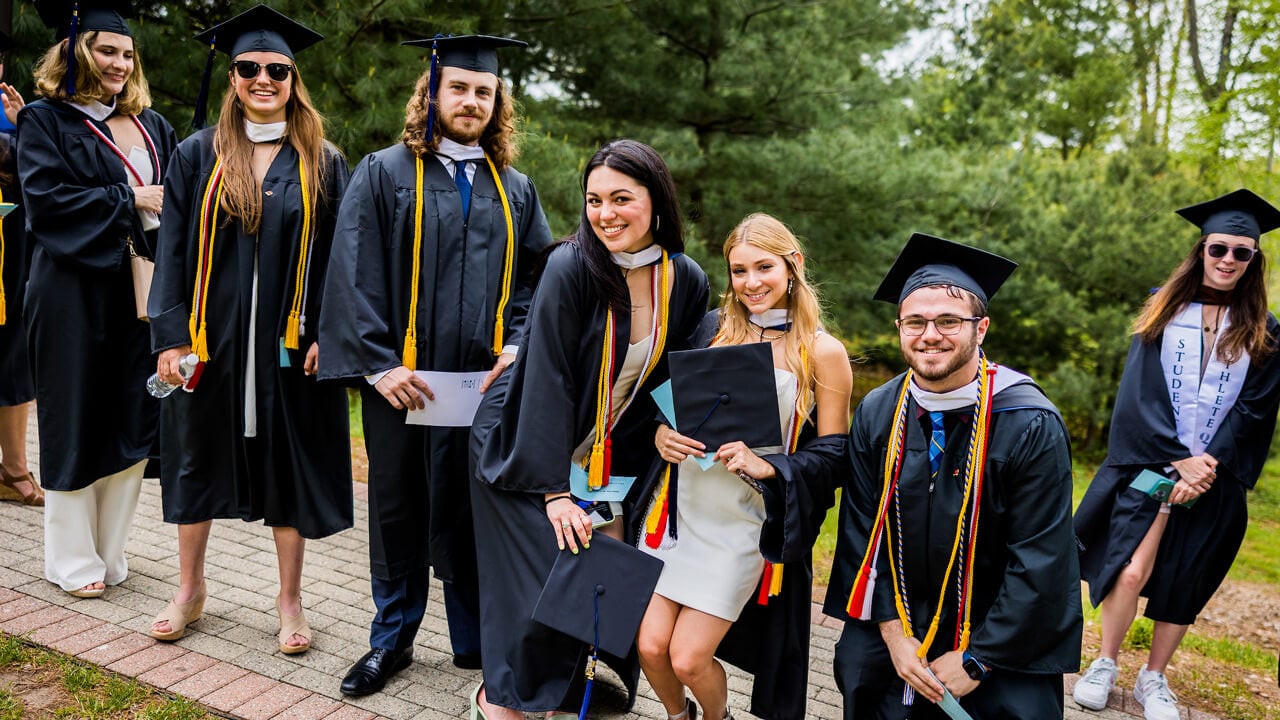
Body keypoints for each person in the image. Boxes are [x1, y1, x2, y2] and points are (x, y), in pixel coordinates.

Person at [318, 34, 553, 695]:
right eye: (459, 88)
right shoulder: (384, 171)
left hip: (483, 394)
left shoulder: (516, 188)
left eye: (484, 91)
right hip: (405, 388)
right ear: (433, 93)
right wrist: (378, 364)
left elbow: (542, 277)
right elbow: (351, 270)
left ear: (496, 103)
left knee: (473, 510)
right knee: (397, 512)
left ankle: (475, 642)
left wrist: (518, 343)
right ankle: (390, 641)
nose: (471, 100)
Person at [469, 139, 710, 720]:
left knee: (605, 567)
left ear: (657, 201)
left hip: (609, 449)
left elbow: (675, 374)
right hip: (522, 438)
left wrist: (660, 426)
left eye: (622, 198)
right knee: (545, 571)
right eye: (595, 200)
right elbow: (547, 374)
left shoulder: (685, 279)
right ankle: (500, 699)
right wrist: (554, 491)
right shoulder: (571, 265)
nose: (606, 214)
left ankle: (563, 689)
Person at [146, 5, 352, 653]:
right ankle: (189, 590)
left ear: (294, 78)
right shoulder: (194, 154)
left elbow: (342, 260)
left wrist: (331, 334)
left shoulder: (324, 159)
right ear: (232, 76)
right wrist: (170, 337)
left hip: (292, 345)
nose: (263, 78)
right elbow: (172, 249)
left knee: (287, 465)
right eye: (248, 68)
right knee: (194, 455)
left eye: (276, 69)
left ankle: (290, 601)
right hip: (210, 340)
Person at [823, 234, 1081, 719]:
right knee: (860, 668)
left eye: (949, 321)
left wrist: (979, 659)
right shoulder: (880, 411)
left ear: (981, 328)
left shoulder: (1028, 422)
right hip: (896, 614)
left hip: (996, 627)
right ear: (899, 327)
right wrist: (894, 635)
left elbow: (1042, 558)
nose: (930, 334)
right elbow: (860, 532)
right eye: (915, 322)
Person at [634, 213, 851, 720]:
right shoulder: (710, 329)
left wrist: (771, 467)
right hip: (680, 516)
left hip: (744, 525)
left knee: (688, 658)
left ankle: (716, 718)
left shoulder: (822, 352)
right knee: (649, 647)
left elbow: (835, 456)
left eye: (764, 267)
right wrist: (661, 435)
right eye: (738, 270)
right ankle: (677, 717)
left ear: (792, 265)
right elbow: (664, 408)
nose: (751, 283)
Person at [1073, 189, 1280, 720]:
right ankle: (1106, 663)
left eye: (1242, 252)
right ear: (1202, 250)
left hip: (1215, 475)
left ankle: (1154, 678)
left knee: (1187, 576)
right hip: (1150, 464)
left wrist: (1206, 467)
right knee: (1128, 569)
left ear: (1255, 260)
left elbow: (1256, 409)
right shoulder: (1163, 307)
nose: (1229, 260)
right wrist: (1174, 458)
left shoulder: (1267, 329)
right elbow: (1137, 394)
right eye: (1219, 249)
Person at [19, 0, 176, 598]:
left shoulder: (152, 126)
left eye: (127, 54)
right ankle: (71, 559)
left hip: (139, 292)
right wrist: (130, 198)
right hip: (72, 291)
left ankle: (110, 551)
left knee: (133, 415)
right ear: (76, 51)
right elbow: (45, 203)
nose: (119, 63)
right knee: (77, 413)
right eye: (107, 50)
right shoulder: (45, 121)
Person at [0, 28, 39, 509]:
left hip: (10, 253)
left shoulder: (13, 109)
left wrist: (26, 127)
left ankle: (12, 467)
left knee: (13, 353)